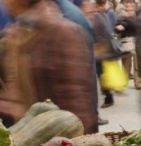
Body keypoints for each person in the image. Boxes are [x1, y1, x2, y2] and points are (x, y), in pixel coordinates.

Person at [0, 0, 98, 133]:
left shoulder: (63, 32)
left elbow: (77, 104)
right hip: (28, 136)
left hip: (59, 140)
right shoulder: (14, 34)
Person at [116, 0, 141, 89]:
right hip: (125, 42)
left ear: (134, 7)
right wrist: (118, 27)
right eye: (127, 7)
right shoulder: (121, 16)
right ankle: (124, 82)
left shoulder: (136, 16)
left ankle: (138, 82)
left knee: (136, 65)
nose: (129, 9)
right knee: (125, 64)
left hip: (136, 42)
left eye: (131, 7)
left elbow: (136, 26)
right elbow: (116, 28)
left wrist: (125, 23)